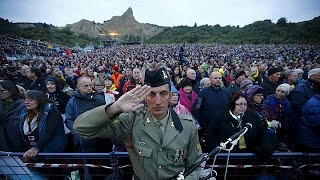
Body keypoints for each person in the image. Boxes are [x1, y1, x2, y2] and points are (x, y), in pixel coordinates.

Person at [74, 67, 203, 180]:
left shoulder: (187, 125)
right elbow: (81, 128)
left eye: (163, 94)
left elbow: (195, 165)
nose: (158, 101)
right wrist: (115, 107)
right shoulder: (131, 120)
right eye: (151, 94)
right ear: (145, 97)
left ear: (170, 96)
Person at [205, 93, 272, 157]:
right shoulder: (221, 117)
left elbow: (261, 133)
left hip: (250, 155)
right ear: (232, 104)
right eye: (240, 104)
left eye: (245, 104)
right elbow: (211, 134)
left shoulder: (252, 116)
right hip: (226, 156)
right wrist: (218, 150)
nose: (243, 107)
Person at [19, 90, 66, 158]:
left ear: (40, 101)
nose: (27, 102)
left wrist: (36, 148)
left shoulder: (52, 112)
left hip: (51, 152)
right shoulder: (24, 113)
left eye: (31, 100)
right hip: (31, 151)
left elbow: (49, 133)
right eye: (26, 100)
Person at [0, 81, 27, 152]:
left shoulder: (24, 104)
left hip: (17, 140)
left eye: (2, 91)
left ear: (11, 90)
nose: (0, 93)